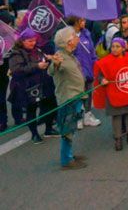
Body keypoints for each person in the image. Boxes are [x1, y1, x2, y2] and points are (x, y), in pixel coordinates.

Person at [47, 27, 87, 170]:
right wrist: (55, 64)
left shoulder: (70, 54)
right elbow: (52, 70)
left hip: (76, 96)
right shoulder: (61, 56)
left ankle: (69, 155)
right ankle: (66, 160)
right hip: (68, 99)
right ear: (69, 41)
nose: (77, 37)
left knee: (72, 127)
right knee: (67, 130)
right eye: (75, 36)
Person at [8, 29, 57, 143]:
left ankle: (49, 129)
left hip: (43, 82)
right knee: (31, 110)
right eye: (30, 41)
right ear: (22, 41)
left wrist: (49, 58)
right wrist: (37, 66)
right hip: (27, 86)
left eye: (34, 40)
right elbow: (17, 70)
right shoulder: (16, 53)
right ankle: (34, 134)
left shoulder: (37, 49)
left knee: (49, 105)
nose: (33, 43)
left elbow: (43, 59)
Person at [65, 16, 102, 129]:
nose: (85, 22)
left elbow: (92, 52)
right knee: (77, 95)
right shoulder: (67, 36)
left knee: (88, 94)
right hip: (75, 72)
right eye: (82, 21)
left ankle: (87, 115)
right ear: (76, 22)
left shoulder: (87, 34)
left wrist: (96, 63)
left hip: (88, 70)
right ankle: (78, 117)